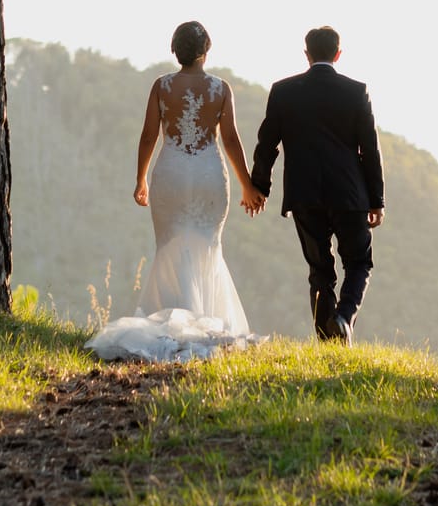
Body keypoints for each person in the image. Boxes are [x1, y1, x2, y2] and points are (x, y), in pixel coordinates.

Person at [86, 21, 264, 362]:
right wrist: (247, 184)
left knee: (169, 247)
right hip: (209, 174)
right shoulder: (221, 88)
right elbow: (229, 139)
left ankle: (172, 322)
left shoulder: (161, 86)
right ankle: (207, 323)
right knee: (208, 247)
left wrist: (140, 179)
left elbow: (148, 136)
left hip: (170, 172)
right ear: (205, 51)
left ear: (175, 51)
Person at [250, 26, 384, 342]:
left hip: (304, 194)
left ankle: (328, 340)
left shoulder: (283, 91)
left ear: (306, 54)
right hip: (350, 194)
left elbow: (267, 144)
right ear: (338, 54)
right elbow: (370, 148)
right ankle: (344, 317)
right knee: (359, 262)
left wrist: (260, 186)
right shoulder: (356, 91)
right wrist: (377, 199)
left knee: (320, 270)